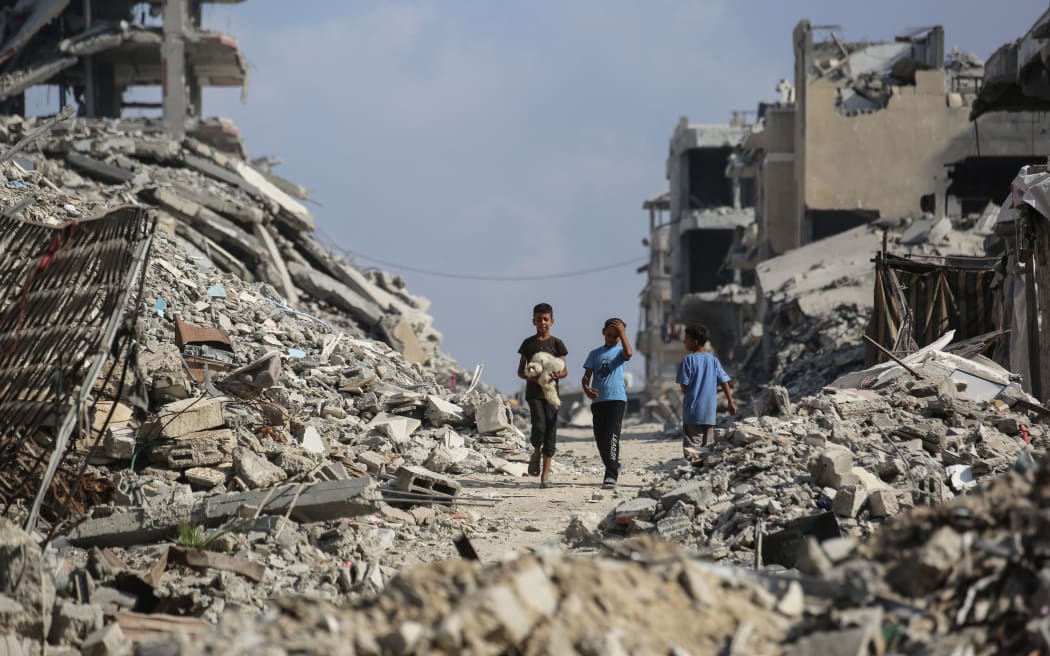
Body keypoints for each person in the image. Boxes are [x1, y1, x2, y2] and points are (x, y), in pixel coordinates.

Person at [517, 302, 568, 488]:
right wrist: (531, 377)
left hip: (551, 395)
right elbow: (520, 371)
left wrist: (557, 375)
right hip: (534, 394)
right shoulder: (528, 344)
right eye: (539, 320)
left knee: (551, 431)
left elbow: (564, 370)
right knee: (539, 426)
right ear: (534, 321)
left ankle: (545, 476)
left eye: (546, 319)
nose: (543, 323)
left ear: (552, 321)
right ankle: (536, 451)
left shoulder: (557, 344)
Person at [582, 318, 633, 490]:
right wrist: (586, 388)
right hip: (598, 401)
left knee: (612, 436)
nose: (612, 338)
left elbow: (629, 353)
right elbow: (586, 376)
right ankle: (614, 465)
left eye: (616, 336)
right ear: (604, 333)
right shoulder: (594, 354)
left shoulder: (620, 352)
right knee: (600, 438)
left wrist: (623, 333)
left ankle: (611, 475)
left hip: (616, 400)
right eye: (609, 335)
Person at [676, 324, 736, 460]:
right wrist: (730, 402)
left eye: (687, 338)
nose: (684, 342)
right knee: (707, 447)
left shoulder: (687, 360)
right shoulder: (713, 360)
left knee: (692, 448)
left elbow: (683, 387)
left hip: (692, 413)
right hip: (709, 413)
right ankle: (703, 468)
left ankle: (692, 469)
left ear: (695, 341)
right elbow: (724, 382)